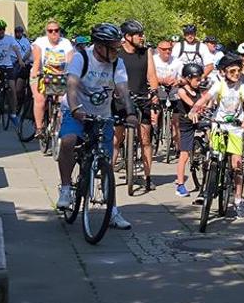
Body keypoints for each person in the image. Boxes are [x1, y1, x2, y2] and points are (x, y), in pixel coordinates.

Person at [56, 23, 136, 229]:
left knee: (106, 162)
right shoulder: (81, 58)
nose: (116, 50)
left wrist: (131, 113)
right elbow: (72, 86)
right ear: (100, 46)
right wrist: (75, 109)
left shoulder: (116, 63)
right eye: (113, 46)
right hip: (76, 110)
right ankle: (66, 188)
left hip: (102, 115)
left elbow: (123, 89)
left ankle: (112, 212)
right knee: (68, 141)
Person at [189, 52, 244, 217]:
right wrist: (194, 110)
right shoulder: (219, 86)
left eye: (238, 71)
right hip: (219, 125)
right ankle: (207, 187)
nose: (236, 74)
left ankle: (238, 200)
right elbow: (204, 99)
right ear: (224, 72)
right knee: (212, 157)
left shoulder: (243, 87)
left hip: (235, 128)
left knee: (237, 165)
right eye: (232, 71)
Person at [112, 19, 159, 191]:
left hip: (141, 98)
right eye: (139, 35)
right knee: (116, 139)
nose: (142, 37)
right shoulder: (117, 53)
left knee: (146, 139)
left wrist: (154, 95)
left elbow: (152, 76)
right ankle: (109, 174)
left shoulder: (146, 52)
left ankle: (147, 177)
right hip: (121, 99)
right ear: (128, 37)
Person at [30, 19, 73, 137]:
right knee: (40, 99)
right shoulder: (40, 42)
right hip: (42, 73)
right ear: (46, 32)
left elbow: (70, 59)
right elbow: (37, 59)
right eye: (50, 31)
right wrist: (35, 72)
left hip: (60, 75)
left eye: (56, 30)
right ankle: (39, 128)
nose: (53, 33)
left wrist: (72, 72)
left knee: (63, 101)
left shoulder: (66, 43)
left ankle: (59, 124)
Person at [174, 63, 203, 199]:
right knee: (184, 154)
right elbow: (191, 103)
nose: (199, 82)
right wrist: (197, 107)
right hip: (187, 124)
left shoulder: (199, 90)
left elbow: (206, 101)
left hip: (200, 120)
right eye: (197, 79)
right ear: (188, 78)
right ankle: (180, 184)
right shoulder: (182, 91)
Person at [153, 39, 184, 155]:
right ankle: (155, 134)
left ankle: (178, 145)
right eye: (164, 49)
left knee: (177, 120)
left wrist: (178, 81)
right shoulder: (154, 60)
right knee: (155, 114)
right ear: (158, 50)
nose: (167, 51)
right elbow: (148, 75)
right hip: (158, 87)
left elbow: (183, 77)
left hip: (173, 89)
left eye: (169, 49)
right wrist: (161, 80)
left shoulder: (177, 61)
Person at [0, 19, 26, 127]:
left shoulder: (9, 39)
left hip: (7, 66)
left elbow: (16, 49)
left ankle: (13, 114)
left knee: (12, 90)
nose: (1, 31)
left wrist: (20, 60)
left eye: (3, 29)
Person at [13, 26, 32, 90]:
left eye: (20, 32)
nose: (18, 33)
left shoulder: (26, 41)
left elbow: (28, 52)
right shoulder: (12, 40)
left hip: (24, 63)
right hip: (14, 62)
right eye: (17, 32)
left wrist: (23, 60)